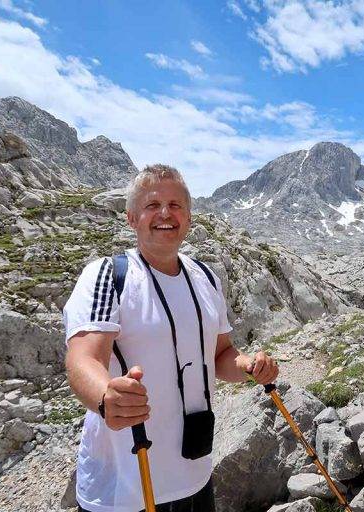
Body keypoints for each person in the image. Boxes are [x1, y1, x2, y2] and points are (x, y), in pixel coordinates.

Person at [63, 164, 278, 512]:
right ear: (132, 217)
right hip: (125, 489)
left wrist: (250, 366)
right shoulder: (107, 275)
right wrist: (106, 397)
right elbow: (83, 358)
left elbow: (222, 354)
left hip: (195, 475)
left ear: (189, 217)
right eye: (152, 205)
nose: (165, 214)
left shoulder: (206, 276)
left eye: (176, 205)